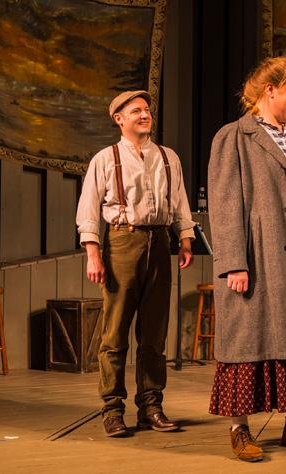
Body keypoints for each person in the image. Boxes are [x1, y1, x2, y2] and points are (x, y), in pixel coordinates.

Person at [207, 56, 286, 463]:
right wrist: (233, 261)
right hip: (259, 251)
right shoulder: (235, 136)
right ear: (270, 90)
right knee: (248, 336)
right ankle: (239, 428)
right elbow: (225, 203)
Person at [76, 90, 196, 437]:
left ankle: (151, 406)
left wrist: (185, 238)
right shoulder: (105, 158)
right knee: (115, 333)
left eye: (147, 110)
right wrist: (93, 253)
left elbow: (179, 200)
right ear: (119, 119)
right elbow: (88, 208)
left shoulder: (168, 157)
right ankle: (112, 409)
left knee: (154, 333)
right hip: (122, 241)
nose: (145, 115)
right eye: (136, 111)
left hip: (159, 241)